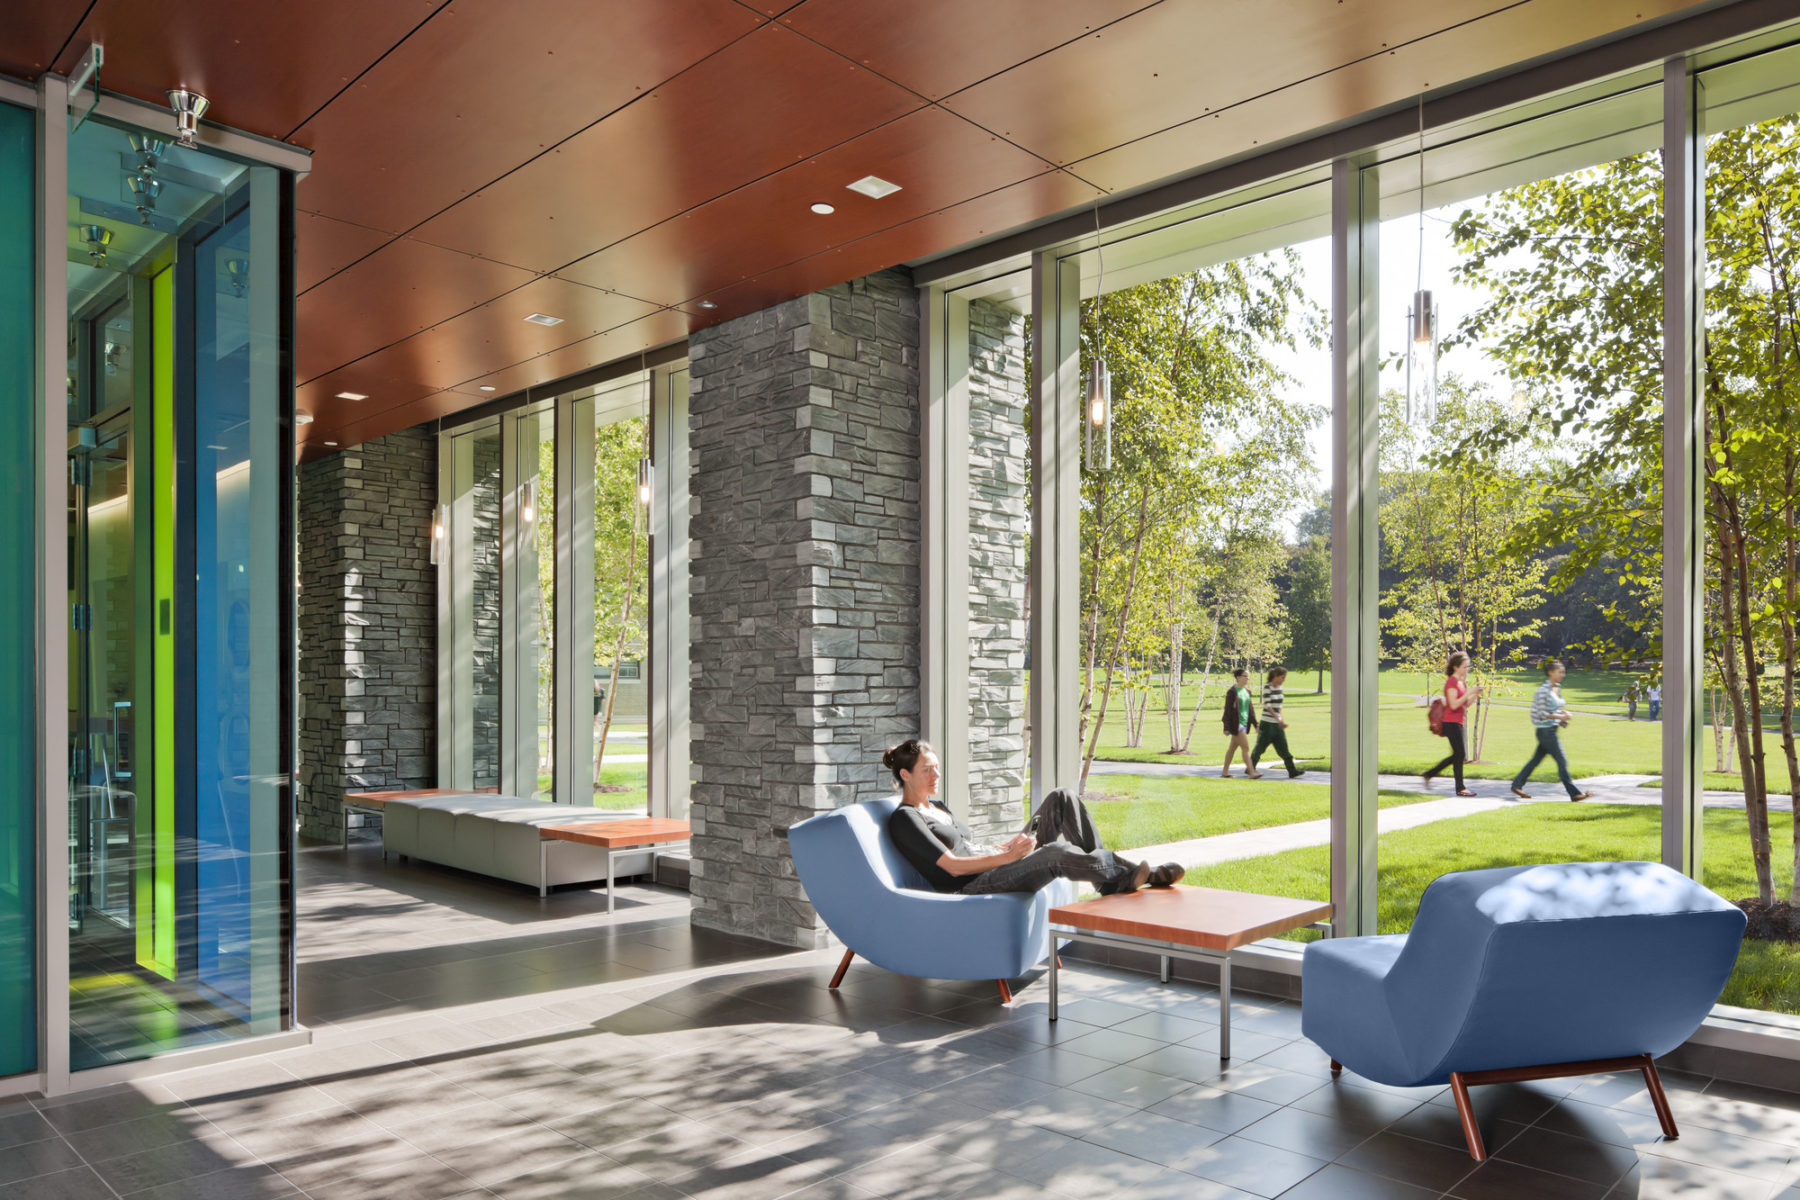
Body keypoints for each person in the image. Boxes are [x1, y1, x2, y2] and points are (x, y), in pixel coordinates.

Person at [882, 739, 1184, 896]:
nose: (936, 774)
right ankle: (1129, 875)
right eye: (927, 770)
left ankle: (1110, 882)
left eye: (936, 766)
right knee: (1055, 853)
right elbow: (954, 867)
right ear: (906, 775)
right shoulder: (906, 819)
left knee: (1061, 798)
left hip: (994, 864)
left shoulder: (938, 806)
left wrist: (1004, 847)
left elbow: (968, 848)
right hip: (974, 885)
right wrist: (1010, 857)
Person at [1510, 659, 1593, 802]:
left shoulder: (1557, 688)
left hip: (1551, 730)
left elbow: (1556, 708)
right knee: (1562, 761)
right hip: (1545, 732)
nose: (1563, 674)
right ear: (1550, 672)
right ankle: (1574, 794)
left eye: (1563, 672)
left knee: (1535, 761)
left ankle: (1517, 784)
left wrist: (1562, 719)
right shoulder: (1543, 690)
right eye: (1560, 672)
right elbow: (1543, 713)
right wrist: (1562, 716)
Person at [1423, 652, 1481, 797]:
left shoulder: (1461, 682)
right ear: (1455, 667)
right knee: (1459, 754)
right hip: (1450, 722)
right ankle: (1460, 788)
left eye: (1468, 666)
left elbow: (1465, 704)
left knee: (1458, 754)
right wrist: (1469, 692)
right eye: (1464, 666)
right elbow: (1454, 705)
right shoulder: (1451, 683)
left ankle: (1430, 774)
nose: (1467, 669)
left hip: (1458, 722)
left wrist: (1475, 694)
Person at [1250, 665, 1305, 778]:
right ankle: (1250, 768)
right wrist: (1277, 719)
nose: (1283, 680)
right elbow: (1268, 706)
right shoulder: (1267, 687)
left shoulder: (1279, 688)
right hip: (1267, 723)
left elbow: (1279, 707)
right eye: (1282, 677)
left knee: (1283, 746)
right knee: (1260, 747)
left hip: (1277, 724)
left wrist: (1281, 720)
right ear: (1275, 676)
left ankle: (1292, 771)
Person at [1220, 668, 1263, 779]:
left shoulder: (1247, 691)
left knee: (1232, 749)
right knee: (1246, 748)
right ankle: (1252, 772)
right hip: (1236, 725)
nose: (1247, 678)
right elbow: (1227, 710)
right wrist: (1226, 727)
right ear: (1238, 677)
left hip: (1244, 724)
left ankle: (1225, 772)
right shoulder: (1232, 692)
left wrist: (1256, 725)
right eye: (1245, 676)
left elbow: (1251, 710)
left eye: (1248, 676)